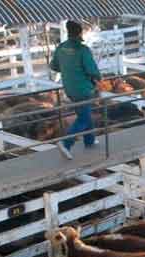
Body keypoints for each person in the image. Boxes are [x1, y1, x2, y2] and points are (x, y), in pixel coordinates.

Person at [51, 20, 102, 160]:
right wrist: (99, 77)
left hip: (69, 89)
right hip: (83, 89)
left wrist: (69, 69)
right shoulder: (82, 49)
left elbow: (54, 66)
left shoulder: (61, 48)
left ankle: (90, 140)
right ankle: (66, 143)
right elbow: (92, 70)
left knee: (84, 113)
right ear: (80, 33)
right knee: (84, 118)